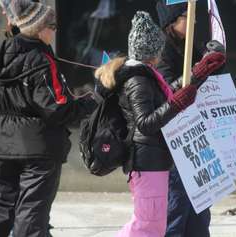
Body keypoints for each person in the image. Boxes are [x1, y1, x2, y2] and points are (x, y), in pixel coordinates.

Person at [94, 11, 223, 237]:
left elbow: (168, 94)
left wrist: (197, 74)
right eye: (158, 48)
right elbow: (146, 123)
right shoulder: (138, 80)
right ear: (151, 51)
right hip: (146, 162)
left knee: (154, 226)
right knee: (147, 226)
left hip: (155, 160)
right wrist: (176, 104)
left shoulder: (147, 75)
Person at [0, 0, 96, 236]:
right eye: (52, 26)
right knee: (31, 211)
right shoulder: (41, 60)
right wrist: (91, 101)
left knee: (0, 203)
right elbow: (56, 108)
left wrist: (9, 119)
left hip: (2, 143)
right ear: (38, 28)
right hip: (38, 147)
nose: (54, 31)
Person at [156, 1, 227, 236]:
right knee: (176, 214)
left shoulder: (187, 45)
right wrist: (198, 70)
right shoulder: (162, 51)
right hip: (176, 144)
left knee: (200, 215)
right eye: (189, 15)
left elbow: (206, 83)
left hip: (198, 141)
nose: (194, 20)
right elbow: (168, 92)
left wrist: (214, 61)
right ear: (172, 21)